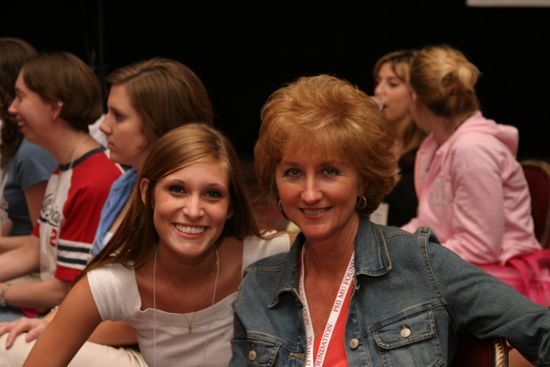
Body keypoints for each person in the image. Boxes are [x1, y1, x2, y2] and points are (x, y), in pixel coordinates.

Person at [229, 74, 550, 366]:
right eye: (294, 172)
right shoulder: (258, 287)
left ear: (363, 181)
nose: (310, 193)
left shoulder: (421, 264)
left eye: (330, 171)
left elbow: (541, 331)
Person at [0, 57, 215, 365]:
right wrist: (53, 321)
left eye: (118, 115)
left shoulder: (181, 203)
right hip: (109, 332)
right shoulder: (125, 185)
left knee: (8, 345)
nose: (103, 125)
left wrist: (53, 326)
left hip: (156, 352)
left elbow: (145, 320)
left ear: (154, 126)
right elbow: (93, 285)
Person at [23, 123, 292, 367]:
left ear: (230, 206)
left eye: (213, 194)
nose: (194, 210)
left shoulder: (264, 255)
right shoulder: (113, 281)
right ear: (146, 193)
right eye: (177, 189)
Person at [401, 45, 542, 284]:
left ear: (415, 99)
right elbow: (429, 223)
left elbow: (480, 247)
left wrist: (411, 258)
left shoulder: (472, 149)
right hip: (461, 274)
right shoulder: (435, 145)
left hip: (496, 285)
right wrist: (388, 243)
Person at [0, 52, 122, 322]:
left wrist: (4, 292)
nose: (12, 108)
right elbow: (34, 251)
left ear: (55, 107)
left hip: (74, 320)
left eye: (20, 97)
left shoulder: (94, 180)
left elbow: (62, 291)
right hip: (50, 309)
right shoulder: (64, 169)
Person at [0, 38, 56, 245]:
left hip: (31, 265)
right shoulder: (15, 140)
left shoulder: (33, 151)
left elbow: (42, 240)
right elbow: (12, 217)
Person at [370, 49, 425, 226]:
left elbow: (424, 216)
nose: (379, 90)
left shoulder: (430, 149)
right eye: (378, 81)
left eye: (392, 84)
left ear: (415, 93)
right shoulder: (373, 141)